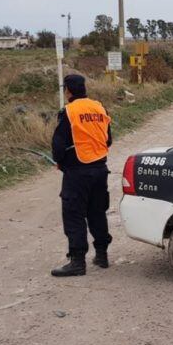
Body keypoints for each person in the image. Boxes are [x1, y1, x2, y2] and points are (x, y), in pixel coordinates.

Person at [50, 74, 113, 277]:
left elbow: (58, 144)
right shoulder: (99, 108)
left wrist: (60, 161)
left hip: (77, 172)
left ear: (67, 90)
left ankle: (77, 261)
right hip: (100, 169)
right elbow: (108, 139)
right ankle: (102, 255)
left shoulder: (68, 112)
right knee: (97, 212)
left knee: (74, 214)